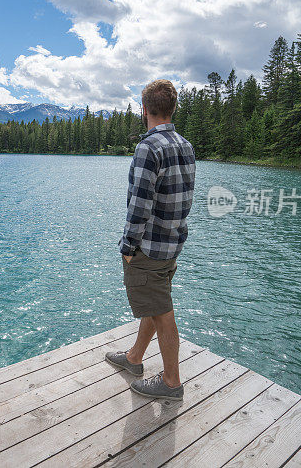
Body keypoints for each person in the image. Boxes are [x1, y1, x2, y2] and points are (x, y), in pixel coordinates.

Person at [105, 78, 196, 400]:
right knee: (156, 303)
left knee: (161, 310)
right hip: (173, 243)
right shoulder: (185, 145)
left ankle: (171, 382)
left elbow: (139, 204)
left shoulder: (148, 148)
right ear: (174, 109)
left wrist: (128, 248)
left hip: (149, 248)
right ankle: (134, 358)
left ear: (144, 110)